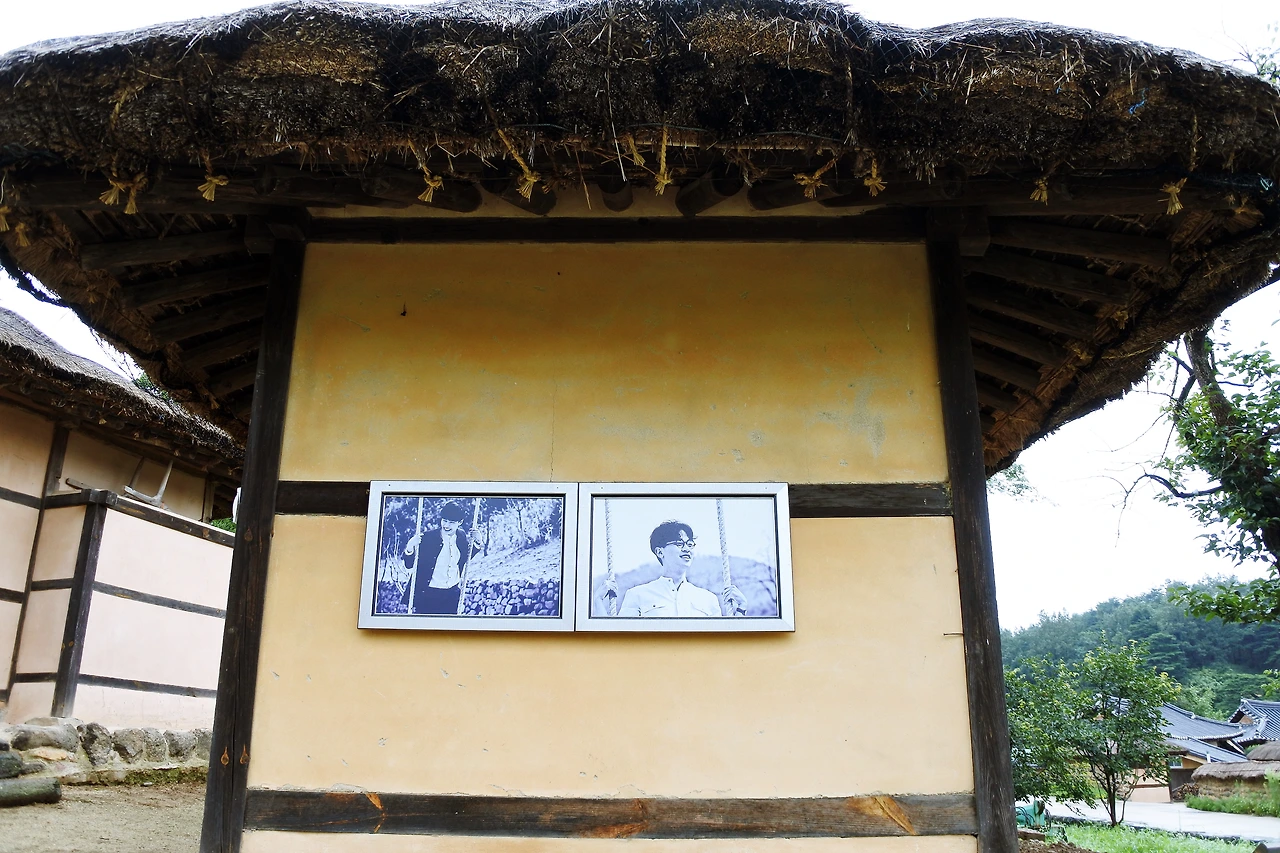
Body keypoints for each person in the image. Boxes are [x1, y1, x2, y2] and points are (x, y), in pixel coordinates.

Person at [615, 520, 745, 617]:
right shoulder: (637, 595)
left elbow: (719, 641)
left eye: (690, 544)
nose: (686, 549)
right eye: (679, 544)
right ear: (660, 552)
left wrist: (741, 609)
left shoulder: (708, 599)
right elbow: (623, 638)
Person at [403, 501, 471, 615]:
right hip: (429, 595)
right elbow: (409, 564)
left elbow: (466, 557)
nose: (446, 525)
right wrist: (410, 547)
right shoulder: (427, 538)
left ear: (460, 522)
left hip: (452, 594)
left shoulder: (461, 536)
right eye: (444, 521)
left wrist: (478, 542)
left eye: (451, 522)